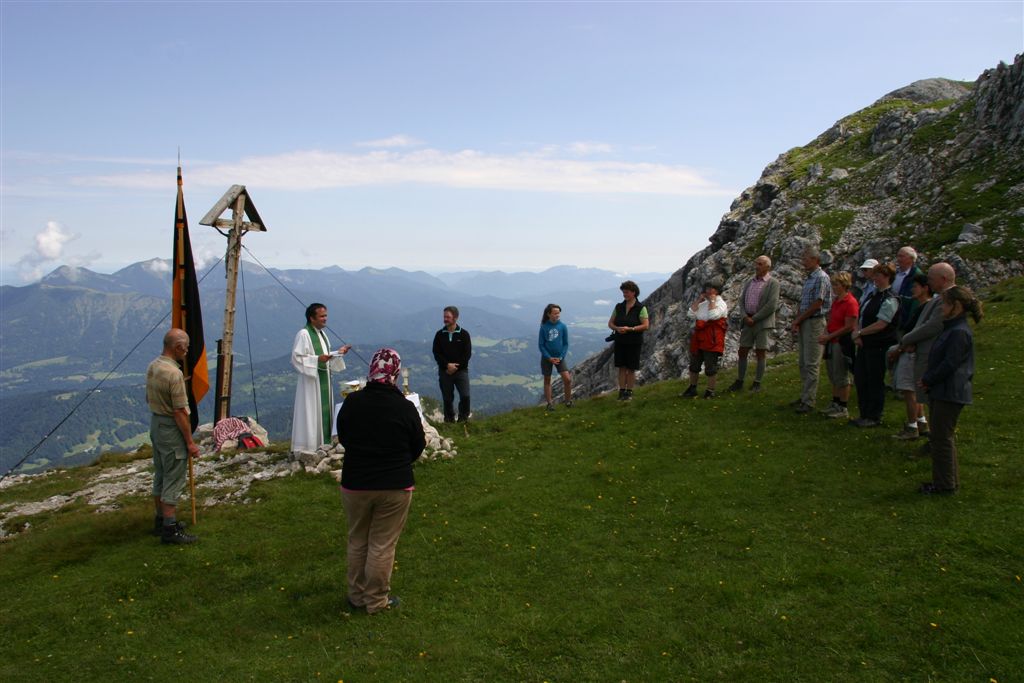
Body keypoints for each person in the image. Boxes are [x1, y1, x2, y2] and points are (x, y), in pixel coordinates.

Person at [337, 348, 426, 612]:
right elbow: (418, 445)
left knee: (357, 539)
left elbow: (344, 437)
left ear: (371, 371)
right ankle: (376, 600)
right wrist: (400, 461)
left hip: (355, 482)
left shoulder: (352, 402)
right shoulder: (404, 406)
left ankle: (356, 596)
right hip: (395, 484)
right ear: (395, 374)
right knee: (382, 544)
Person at [918, 286, 982, 495]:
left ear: (956, 307)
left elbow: (950, 363)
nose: (942, 307)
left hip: (950, 391)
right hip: (944, 390)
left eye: (945, 304)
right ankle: (948, 480)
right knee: (942, 437)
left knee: (941, 438)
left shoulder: (959, 332)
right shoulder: (952, 328)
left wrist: (928, 379)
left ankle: (944, 485)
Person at [892, 262, 958, 451]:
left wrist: (907, 339)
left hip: (930, 353)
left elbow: (933, 326)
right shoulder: (940, 298)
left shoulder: (948, 299)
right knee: (930, 400)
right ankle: (934, 438)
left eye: (931, 278)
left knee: (934, 401)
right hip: (923, 350)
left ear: (943, 279)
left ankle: (937, 441)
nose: (928, 281)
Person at [146, 329, 201, 545]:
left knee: (160, 473)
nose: (187, 351)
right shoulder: (174, 374)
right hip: (170, 428)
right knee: (174, 477)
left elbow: (147, 397)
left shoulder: (153, 366)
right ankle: (170, 529)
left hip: (156, 424)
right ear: (177, 347)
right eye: (186, 347)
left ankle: (160, 521)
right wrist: (189, 442)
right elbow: (180, 411)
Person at [291, 303, 351, 453]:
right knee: (311, 413)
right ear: (312, 318)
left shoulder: (322, 334)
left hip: (323, 378)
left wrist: (338, 353)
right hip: (311, 383)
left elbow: (324, 356)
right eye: (322, 316)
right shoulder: (304, 334)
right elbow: (297, 358)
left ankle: (324, 444)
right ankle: (308, 447)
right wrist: (317, 360)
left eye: (326, 316)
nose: (325, 319)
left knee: (323, 413)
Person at [851, 263, 899, 427]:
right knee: (861, 378)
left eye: (878, 275)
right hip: (864, 344)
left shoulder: (890, 298)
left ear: (886, 277)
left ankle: (874, 416)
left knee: (874, 380)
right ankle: (864, 412)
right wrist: (857, 332)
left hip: (878, 345)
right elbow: (860, 313)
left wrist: (860, 333)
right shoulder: (873, 295)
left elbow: (882, 323)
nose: (874, 278)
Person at [889, 273, 933, 440]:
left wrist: (900, 349)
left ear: (925, 288)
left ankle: (911, 426)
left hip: (911, 353)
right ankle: (921, 422)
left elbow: (915, 333)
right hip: (911, 350)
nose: (912, 289)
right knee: (914, 389)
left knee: (909, 390)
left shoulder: (925, 307)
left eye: (915, 287)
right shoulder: (924, 306)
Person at [728, 255, 780, 393]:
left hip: (762, 323)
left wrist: (755, 318)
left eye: (760, 264)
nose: (757, 266)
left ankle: (757, 382)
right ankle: (740, 380)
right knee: (743, 350)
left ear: (767, 267)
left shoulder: (773, 283)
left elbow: (772, 305)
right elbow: (741, 301)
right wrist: (745, 316)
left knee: (760, 352)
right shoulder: (749, 282)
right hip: (747, 321)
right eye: (756, 263)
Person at [790, 247, 832, 413]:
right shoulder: (809, 278)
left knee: (811, 362)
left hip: (815, 322)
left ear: (815, 260)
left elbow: (817, 303)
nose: (803, 261)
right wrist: (797, 320)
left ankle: (809, 401)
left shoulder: (821, 278)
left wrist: (800, 319)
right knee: (803, 362)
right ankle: (804, 396)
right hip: (805, 321)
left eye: (806, 258)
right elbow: (804, 302)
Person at [818, 272, 859, 419]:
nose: (834, 287)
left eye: (836, 284)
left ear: (844, 285)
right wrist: (826, 333)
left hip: (841, 342)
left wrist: (830, 336)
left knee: (842, 374)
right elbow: (832, 320)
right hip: (831, 340)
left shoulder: (850, 302)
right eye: (833, 284)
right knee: (833, 373)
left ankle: (843, 406)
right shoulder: (837, 301)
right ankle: (835, 402)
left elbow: (849, 326)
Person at [681, 281, 728, 399]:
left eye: (711, 289)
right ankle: (692, 388)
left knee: (710, 366)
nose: (707, 292)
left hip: (712, 338)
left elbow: (713, 315)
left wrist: (712, 301)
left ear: (716, 291)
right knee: (694, 364)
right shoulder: (703, 304)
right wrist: (699, 300)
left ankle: (710, 390)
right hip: (699, 338)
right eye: (706, 289)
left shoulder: (721, 304)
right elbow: (691, 314)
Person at [608, 280, 650, 401]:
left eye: (626, 292)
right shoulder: (619, 307)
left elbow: (646, 325)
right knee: (621, 367)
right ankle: (621, 391)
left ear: (634, 292)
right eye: (623, 292)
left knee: (631, 367)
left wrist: (630, 329)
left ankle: (629, 392)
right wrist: (617, 328)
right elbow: (610, 323)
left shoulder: (641, 308)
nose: (624, 295)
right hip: (620, 341)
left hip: (634, 342)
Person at [432, 305, 472, 422]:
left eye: (448, 317)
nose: (445, 319)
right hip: (445, 371)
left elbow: (467, 354)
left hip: (461, 371)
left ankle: (463, 420)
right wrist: (447, 366)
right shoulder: (439, 335)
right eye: (444, 316)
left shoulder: (464, 334)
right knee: (447, 398)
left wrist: (455, 367)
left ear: (455, 318)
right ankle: (449, 421)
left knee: (465, 396)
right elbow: (436, 353)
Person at [538, 303, 573, 410]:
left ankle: (568, 402)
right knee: (547, 380)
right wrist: (549, 357)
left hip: (559, 358)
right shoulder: (544, 327)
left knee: (567, 379)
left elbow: (566, 344)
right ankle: (550, 404)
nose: (557, 315)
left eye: (558, 313)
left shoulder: (563, 326)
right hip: (547, 358)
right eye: (555, 313)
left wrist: (561, 357)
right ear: (549, 314)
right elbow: (541, 345)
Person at [893, 246, 924, 327]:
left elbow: (916, 300)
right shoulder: (895, 273)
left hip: (903, 317)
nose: (898, 259)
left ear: (911, 259)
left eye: (902, 256)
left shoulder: (916, 275)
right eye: (898, 256)